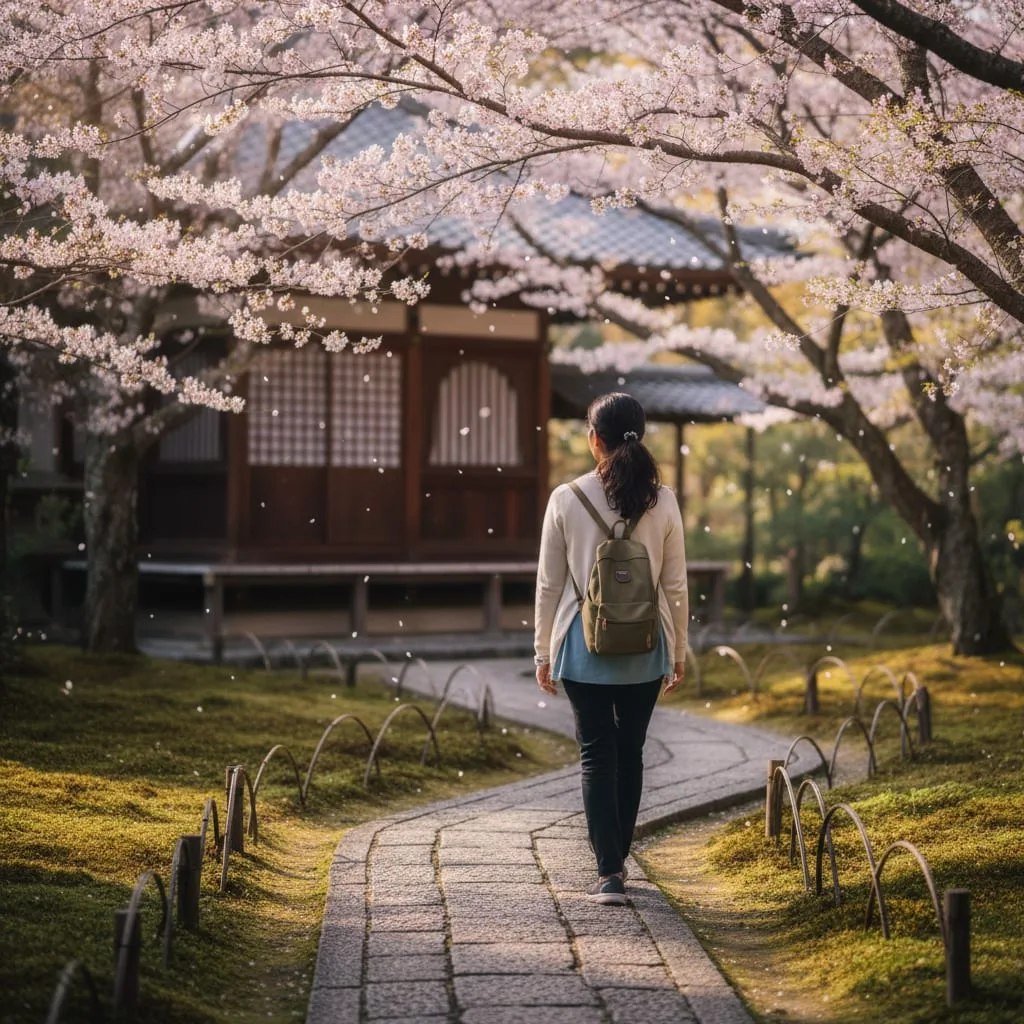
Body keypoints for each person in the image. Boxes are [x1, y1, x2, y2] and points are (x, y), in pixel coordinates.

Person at [534, 392, 688, 905]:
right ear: (638, 435)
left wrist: (541, 652)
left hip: (583, 644)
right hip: (646, 643)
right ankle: (618, 855)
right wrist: (680, 649)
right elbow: (676, 584)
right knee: (631, 752)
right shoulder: (663, 500)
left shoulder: (566, 498)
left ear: (594, 439)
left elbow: (548, 586)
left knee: (596, 755)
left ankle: (609, 873)